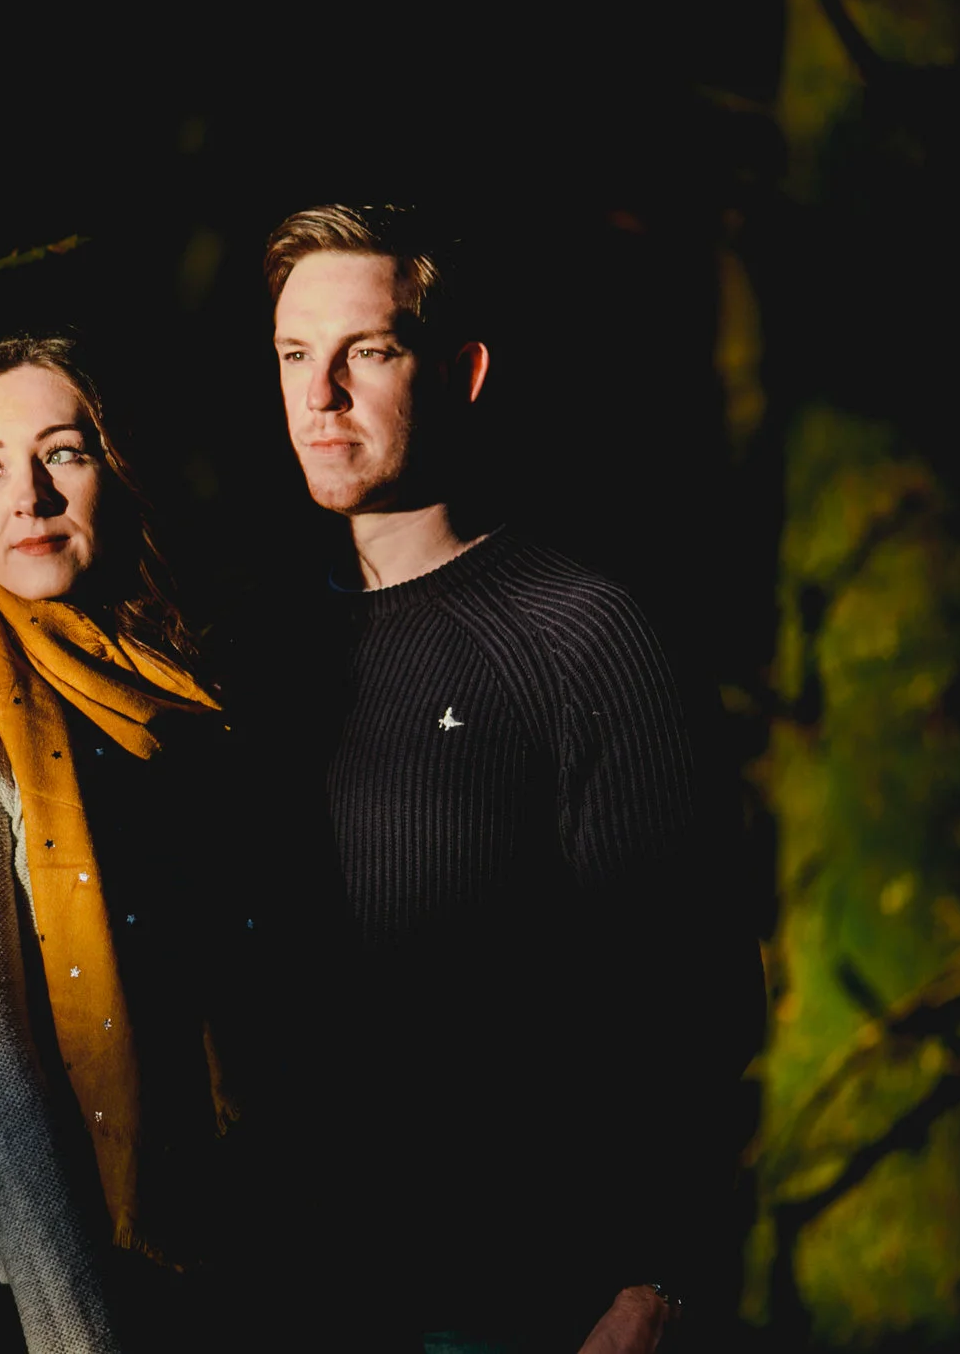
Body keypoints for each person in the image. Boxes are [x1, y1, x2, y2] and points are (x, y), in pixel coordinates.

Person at [248, 204, 757, 1353]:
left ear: (462, 369)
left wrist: (659, 1278)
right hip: (298, 1290)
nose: (318, 394)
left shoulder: (578, 630)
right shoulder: (260, 656)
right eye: (293, 354)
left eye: (365, 351)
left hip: (524, 1300)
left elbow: (693, 986)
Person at [0, 335, 252, 1354]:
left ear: (115, 471)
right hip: (25, 1304)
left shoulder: (181, 713)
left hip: (199, 1274)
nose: (26, 495)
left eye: (62, 452)